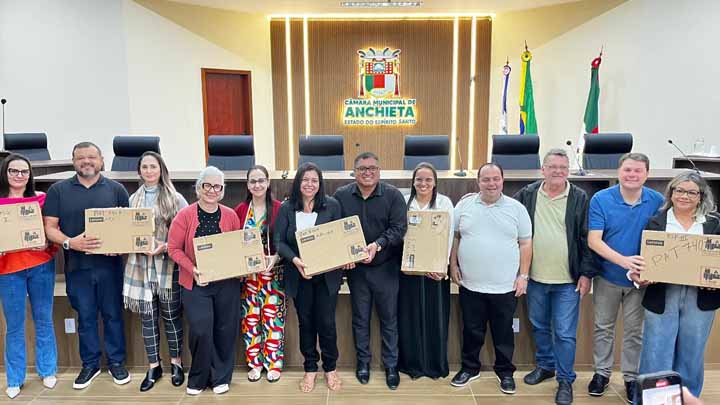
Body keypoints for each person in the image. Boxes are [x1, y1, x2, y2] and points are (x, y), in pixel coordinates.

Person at [44, 142, 131, 390]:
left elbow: (127, 228)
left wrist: (121, 245)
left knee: (113, 315)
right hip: (77, 266)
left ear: (101, 160)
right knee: (86, 317)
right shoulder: (58, 190)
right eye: (81, 158)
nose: (86, 161)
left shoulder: (116, 190)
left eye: (91, 157)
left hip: (110, 266)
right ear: (73, 162)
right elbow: (50, 227)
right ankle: (90, 365)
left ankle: (116, 363)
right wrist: (70, 242)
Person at [513, 149, 597, 405]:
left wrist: (586, 274)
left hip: (567, 280)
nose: (558, 171)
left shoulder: (579, 197)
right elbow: (507, 211)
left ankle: (565, 379)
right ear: (543, 169)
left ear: (568, 170)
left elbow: (586, 238)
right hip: (535, 277)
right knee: (539, 325)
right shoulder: (528, 194)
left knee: (564, 333)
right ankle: (546, 366)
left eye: (562, 167)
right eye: (552, 167)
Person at [632, 172, 720, 398]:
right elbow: (640, 259)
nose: (684, 196)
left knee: (692, 351)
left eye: (692, 192)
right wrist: (639, 275)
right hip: (662, 294)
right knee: (656, 350)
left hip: (701, 297)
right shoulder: (655, 222)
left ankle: (687, 398)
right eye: (679, 190)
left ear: (701, 197)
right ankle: (654, 399)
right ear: (671, 194)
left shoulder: (714, 223)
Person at [587, 153, 664, 403]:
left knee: (634, 331)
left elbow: (663, 240)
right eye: (627, 170)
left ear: (647, 174)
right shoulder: (601, 199)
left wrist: (647, 271)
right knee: (603, 327)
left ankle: (631, 378)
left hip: (641, 281)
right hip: (607, 276)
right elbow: (594, 241)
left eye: (638, 171)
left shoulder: (658, 201)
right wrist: (625, 262)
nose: (632, 175)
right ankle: (601, 374)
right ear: (618, 172)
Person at [449, 163, 532, 395]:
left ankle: (505, 372)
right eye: (486, 179)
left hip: (505, 286)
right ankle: (470, 368)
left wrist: (523, 276)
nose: (491, 183)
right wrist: (453, 265)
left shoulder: (517, 209)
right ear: (478, 181)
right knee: (471, 330)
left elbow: (526, 244)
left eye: (496, 179)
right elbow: (454, 237)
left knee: (503, 332)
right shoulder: (464, 206)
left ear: (503, 180)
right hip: (470, 283)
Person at [333, 152, 407, 390]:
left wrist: (378, 245)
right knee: (360, 319)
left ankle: (391, 365)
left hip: (386, 267)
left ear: (379, 171)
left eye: (372, 168)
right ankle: (363, 363)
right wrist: (345, 255)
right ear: (354, 172)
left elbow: (399, 229)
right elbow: (334, 229)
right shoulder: (341, 196)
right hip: (357, 271)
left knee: (389, 319)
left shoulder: (393, 195)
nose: (368, 172)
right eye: (362, 168)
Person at [167, 166, 243, 395]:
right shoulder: (185, 215)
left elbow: (236, 247)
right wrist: (193, 270)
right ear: (199, 187)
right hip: (196, 283)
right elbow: (173, 249)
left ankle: (220, 377)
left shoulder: (230, 215)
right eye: (207, 185)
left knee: (225, 330)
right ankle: (198, 378)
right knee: (201, 330)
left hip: (226, 283)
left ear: (222, 190)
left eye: (217, 186)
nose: (212, 190)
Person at [275, 162, 344, 393]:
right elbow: (279, 242)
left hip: (326, 276)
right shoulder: (287, 208)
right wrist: (295, 260)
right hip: (299, 275)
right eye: (305, 180)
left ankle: (331, 368)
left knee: (326, 322)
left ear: (320, 183)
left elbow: (340, 238)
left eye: (314, 180)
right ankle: (310, 368)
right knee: (306, 323)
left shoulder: (332, 205)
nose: (310, 184)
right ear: (298, 182)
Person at [123, 152, 188, 392]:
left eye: (153, 166)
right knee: (148, 318)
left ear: (161, 170)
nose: (149, 171)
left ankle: (177, 363)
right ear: (139, 171)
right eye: (145, 167)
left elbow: (185, 232)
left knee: (171, 316)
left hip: (168, 265)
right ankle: (154, 366)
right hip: (140, 266)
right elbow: (125, 231)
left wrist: (165, 246)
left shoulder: (175, 198)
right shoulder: (132, 199)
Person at [0, 154, 58, 399]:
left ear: (30, 175)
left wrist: (46, 243)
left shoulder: (41, 199)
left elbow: (52, 230)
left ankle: (48, 370)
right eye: (13, 171)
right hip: (8, 270)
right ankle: (15, 378)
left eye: (24, 171)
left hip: (40, 266)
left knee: (44, 319)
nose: (19, 175)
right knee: (14, 325)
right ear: (5, 173)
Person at [397, 162, 454, 380]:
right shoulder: (403, 202)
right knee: (409, 317)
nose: (423, 183)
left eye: (428, 179)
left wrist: (442, 266)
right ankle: (412, 365)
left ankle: (434, 366)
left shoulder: (444, 202)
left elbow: (449, 235)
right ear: (413, 182)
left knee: (435, 317)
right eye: (419, 179)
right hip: (409, 271)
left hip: (435, 271)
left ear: (435, 182)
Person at [234, 165, 284, 383]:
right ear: (247, 185)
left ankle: (273, 364)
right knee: (251, 320)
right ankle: (254, 364)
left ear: (268, 182)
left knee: (273, 321)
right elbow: (233, 241)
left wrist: (276, 257)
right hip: (248, 277)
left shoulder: (280, 209)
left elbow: (286, 241)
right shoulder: (240, 210)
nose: (257, 185)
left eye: (261, 180)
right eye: (253, 181)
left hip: (273, 274)